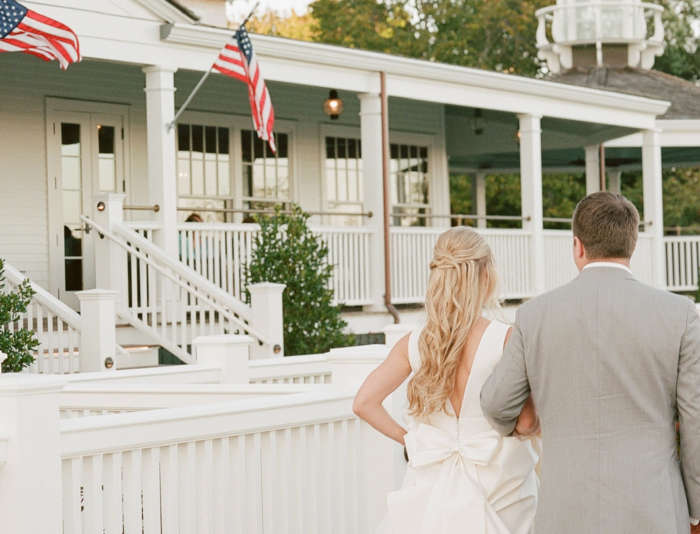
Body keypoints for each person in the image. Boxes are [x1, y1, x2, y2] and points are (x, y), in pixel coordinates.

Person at [481, 192, 700, 534]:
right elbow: (694, 422)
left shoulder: (534, 315)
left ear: (578, 247)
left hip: (565, 509)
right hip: (653, 507)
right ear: (633, 244)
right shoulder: (680, 314)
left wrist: (533, 423)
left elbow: (497, 405)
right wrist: (697, 512)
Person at [353, 227, 540, 534]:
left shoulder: (415, 342)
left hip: (432, 477)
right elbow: (526, 422)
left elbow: (364, 403)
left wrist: (413, 441)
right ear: (485, 275)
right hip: (501, 482)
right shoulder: (506, 338)